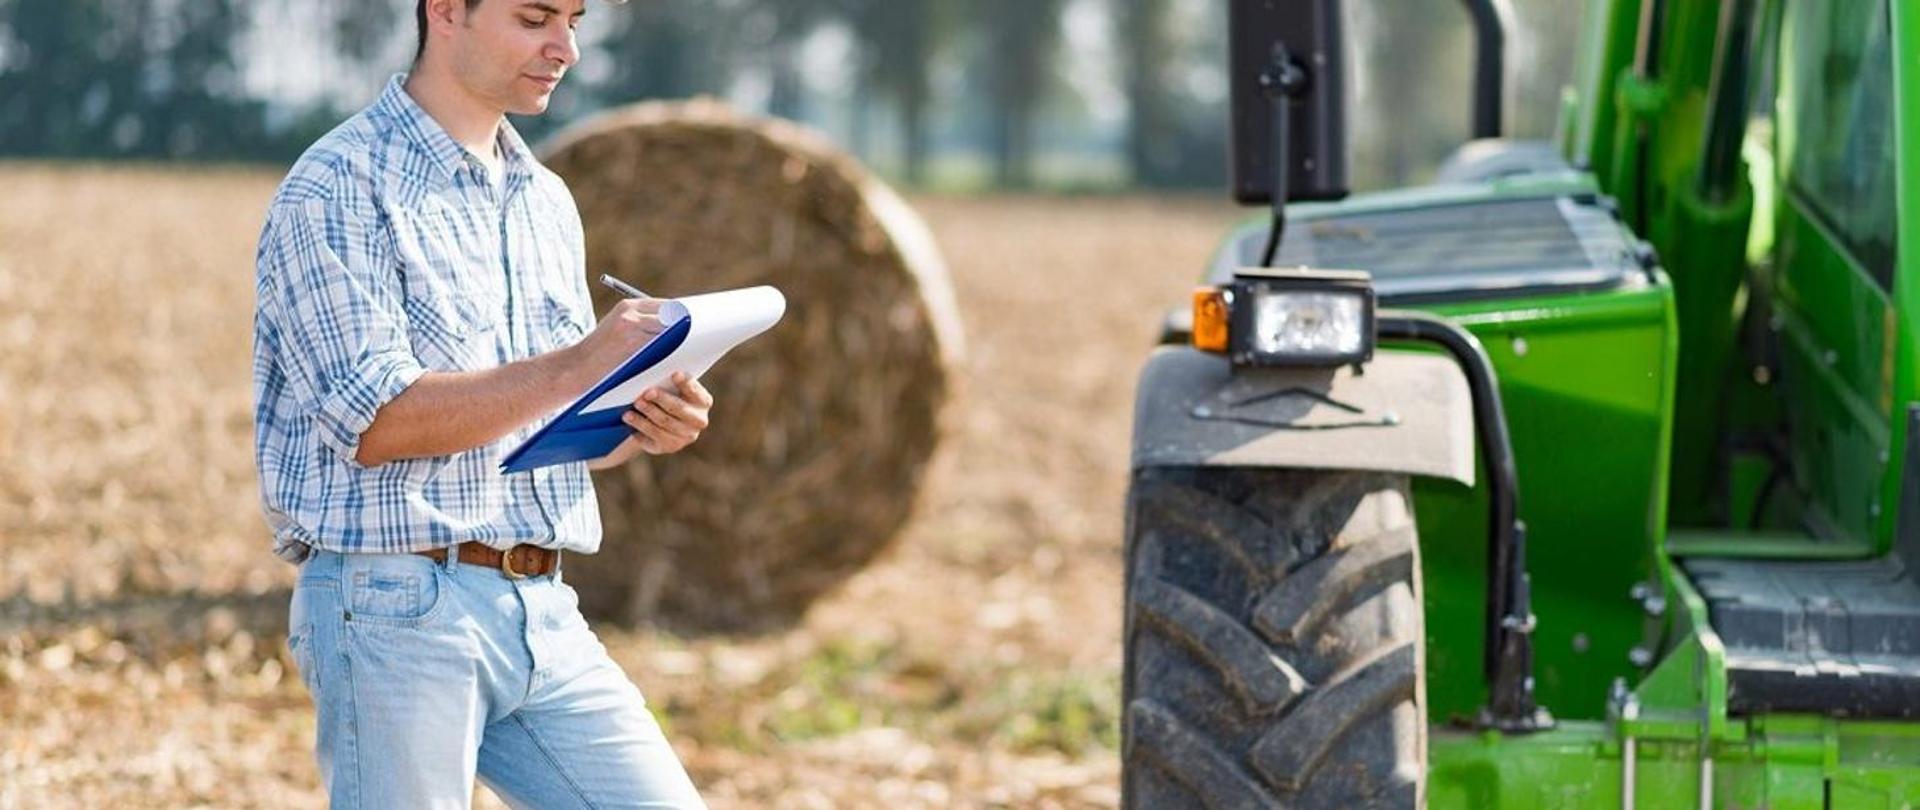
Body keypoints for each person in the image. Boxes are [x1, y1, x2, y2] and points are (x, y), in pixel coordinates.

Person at [251, 0, 709, 806]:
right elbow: (380, 420)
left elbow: (541, 421)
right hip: (395, 607)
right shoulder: (339, 184)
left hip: (543, 605)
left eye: (573, 20)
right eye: (534, 18)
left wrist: (635, 419)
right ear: (445, 13)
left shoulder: (545, 200)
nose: (563, 46)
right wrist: (580, 363)